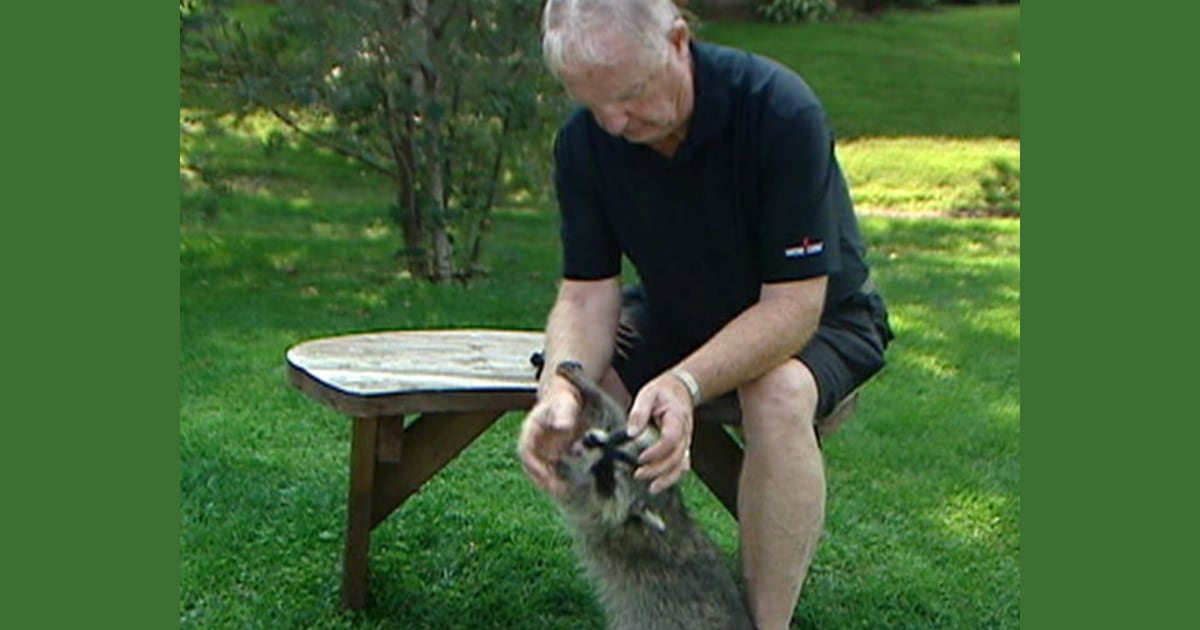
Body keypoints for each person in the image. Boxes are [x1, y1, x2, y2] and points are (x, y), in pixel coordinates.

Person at [517, 1, 894, 628]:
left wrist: (684, 382)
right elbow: (585, 294)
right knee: (586, 388)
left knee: (774, 392)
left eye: (630, 94)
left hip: (821, 315)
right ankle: (657, 591)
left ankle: (766, 623)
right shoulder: (587, 141)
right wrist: (560, 385)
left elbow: (794, 306)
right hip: (678, 309)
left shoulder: (777, 111)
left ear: (678, 42)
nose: (614, 121)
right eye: (593, 103)